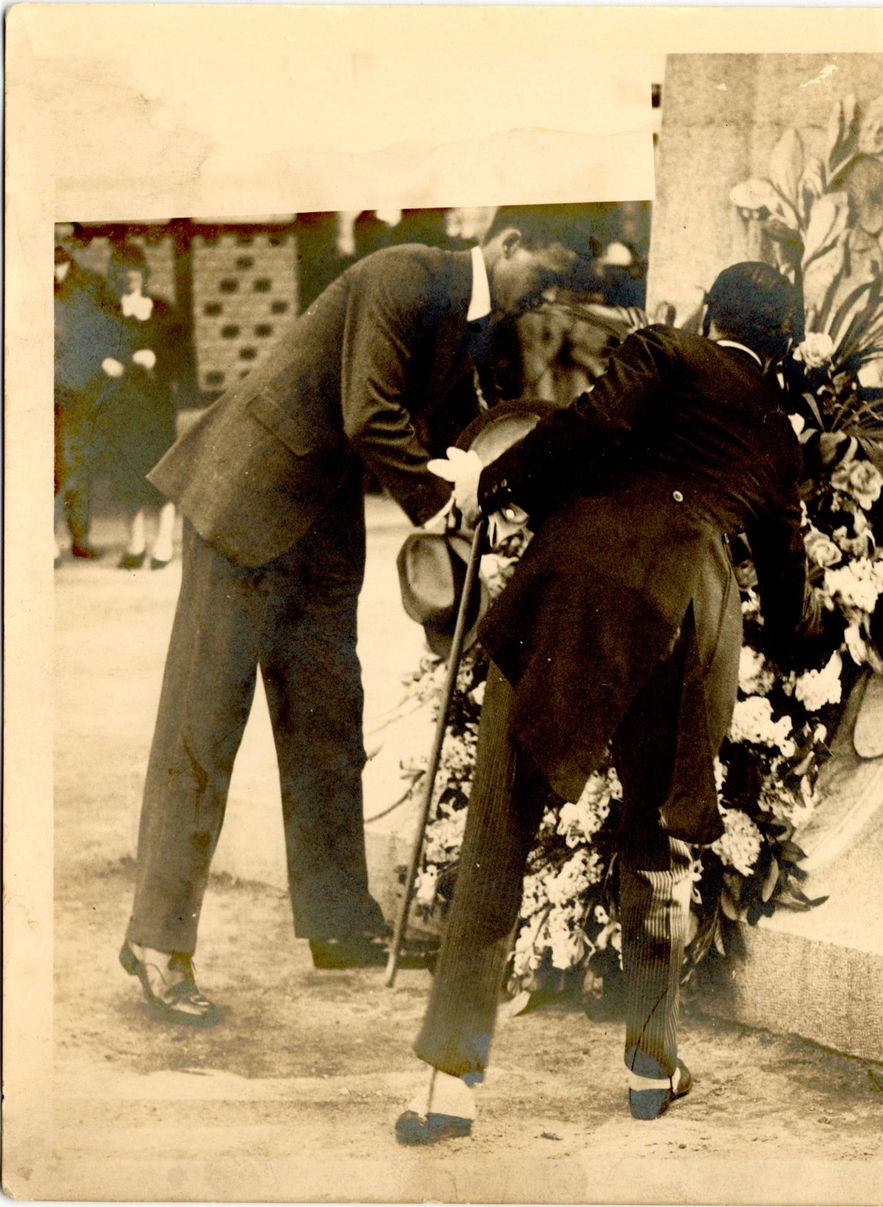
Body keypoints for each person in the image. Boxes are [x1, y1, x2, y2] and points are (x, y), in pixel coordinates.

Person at [120, 206, 594, 1028]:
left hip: (322, 528)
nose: (542, 298)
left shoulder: (470, 320)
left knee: (330, 722)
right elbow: (368, 415)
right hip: (244, 505)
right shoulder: (407, 275)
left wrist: (513, 493)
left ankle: (340, 924)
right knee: (203, 727)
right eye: (542, 277)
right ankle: (157, 941)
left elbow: (455, 431)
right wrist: (447, 504)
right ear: (506, 243)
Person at [393, 262, 815, 1144]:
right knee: (654, 836)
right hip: (683, 619)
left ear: (709, 313)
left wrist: (488, 484)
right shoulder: (778, 433)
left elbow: (586, 430)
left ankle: (447, 1087)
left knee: (499, 826)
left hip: (575, 589)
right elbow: (785, 592)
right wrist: (802, 639)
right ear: (782, 347)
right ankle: (650, 1066)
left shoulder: (665, 351)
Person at [99, 243, 185, 570]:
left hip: (156, 404)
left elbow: (182, 357)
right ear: (116, 275)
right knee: (127, 472)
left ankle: (163, 541)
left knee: (160, 470)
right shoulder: (108, 312)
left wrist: (157, 361)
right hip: (123, 405)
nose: (129, 276)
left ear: (144, 273)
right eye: (122, 270)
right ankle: (135, 542)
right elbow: (96, 348)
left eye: (135, 269)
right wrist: (107, 362)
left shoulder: (162, 310)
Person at [54, 237, 121, 562]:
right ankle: (43, 541)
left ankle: (80, 536)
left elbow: (108, 332)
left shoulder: (91, 285)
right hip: (30, 391)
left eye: (62, 237)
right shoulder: (16, 274)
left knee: (77, 463)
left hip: (78, 392)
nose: (55, 243)